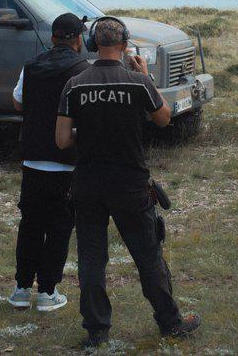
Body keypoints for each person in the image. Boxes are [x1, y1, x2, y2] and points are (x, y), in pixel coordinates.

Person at [55, 17, 200, 348]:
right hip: (130, 183)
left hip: (88, 183)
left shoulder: (74, 84)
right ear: (124, 46)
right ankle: (170, 322)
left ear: (93, 44)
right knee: (147, 254)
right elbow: (163, 119)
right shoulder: (138, 83)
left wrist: (89, 131)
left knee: (91, 257)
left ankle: (96, 330)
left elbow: (62, 140)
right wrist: (146, 77)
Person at [9, 12, 90, 313]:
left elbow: (17, 101)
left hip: (32, 158)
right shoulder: (81, 69)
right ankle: (47, 291)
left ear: (53, 37)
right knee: (58, 227)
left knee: (30, 224)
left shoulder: (31, 65)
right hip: (66, 161)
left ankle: (20, 289)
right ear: (77, 39)